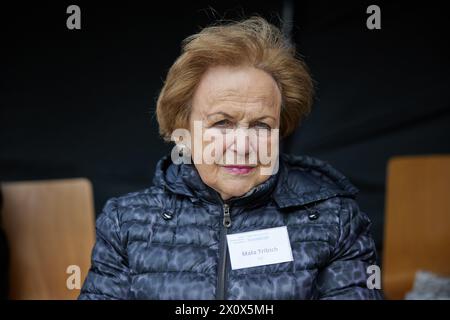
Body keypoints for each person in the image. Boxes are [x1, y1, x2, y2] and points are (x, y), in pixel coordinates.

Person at [79, 16, 382, 300]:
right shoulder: (126, 222)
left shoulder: (335, 221)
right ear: (183, 128)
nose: (242, 146)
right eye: (222, 123)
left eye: (262, 125)